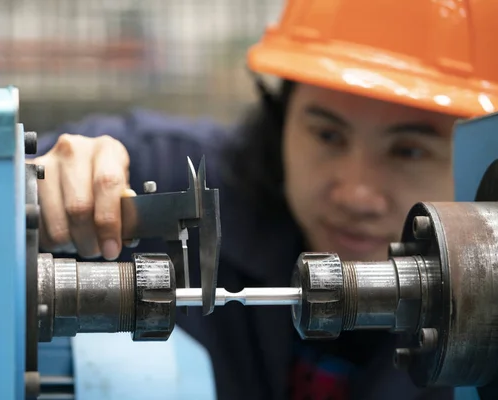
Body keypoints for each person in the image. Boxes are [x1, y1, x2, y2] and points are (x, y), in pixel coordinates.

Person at [30, 0, 498, 399]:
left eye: (408, 150)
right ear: (282, 117)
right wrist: (36, 186)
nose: (356, 193)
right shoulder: (160, 168)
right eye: (328, 134)